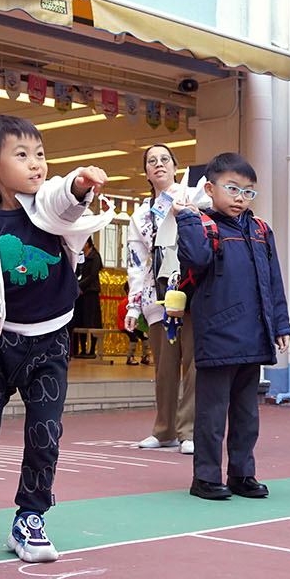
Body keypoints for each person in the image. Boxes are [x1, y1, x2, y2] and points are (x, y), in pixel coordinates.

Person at [0, 114, 111, 565]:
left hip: (50, 341)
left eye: (40, 154)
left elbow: (64, 198)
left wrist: (79, 184)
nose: (36, 163)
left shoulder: (49, 203)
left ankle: (30, 517)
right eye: (22, 155)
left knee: (44, 434)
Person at [173, 152, 290, 501]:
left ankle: (242, 473)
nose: (240, 198)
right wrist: (186, 219)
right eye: (232, 188)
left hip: (253, 336)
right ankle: (205, 477)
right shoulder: (202, 226)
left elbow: (273, 281)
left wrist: (281, 325)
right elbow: (195, 259)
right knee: (211, 414)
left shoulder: (261, 231)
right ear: (210, 189)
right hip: (217, 335)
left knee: (246, 414)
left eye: (248, 191)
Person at [126, 143, 206, 454]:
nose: (158, 164)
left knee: (194, 363)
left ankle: (189, 431)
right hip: (157, 297)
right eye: (151, 161)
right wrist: (134, 306)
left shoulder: (195, 197)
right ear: (146, 172)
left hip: (191, 291)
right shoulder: (140, 215)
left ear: (175, 166)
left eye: (164, 159)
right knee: (164, 367)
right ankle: (164, 430)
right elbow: (136, 263)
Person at [71, 236, 103, 358]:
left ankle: (92, 350)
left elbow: (92, 275)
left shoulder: (95, 256)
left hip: (90, 293)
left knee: (92, 321)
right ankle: (83, 349)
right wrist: (76, 286)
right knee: (81, 321)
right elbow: (78, 272)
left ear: (88, 243)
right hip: (81, 294)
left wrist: (81, 286)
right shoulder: (80, 256)